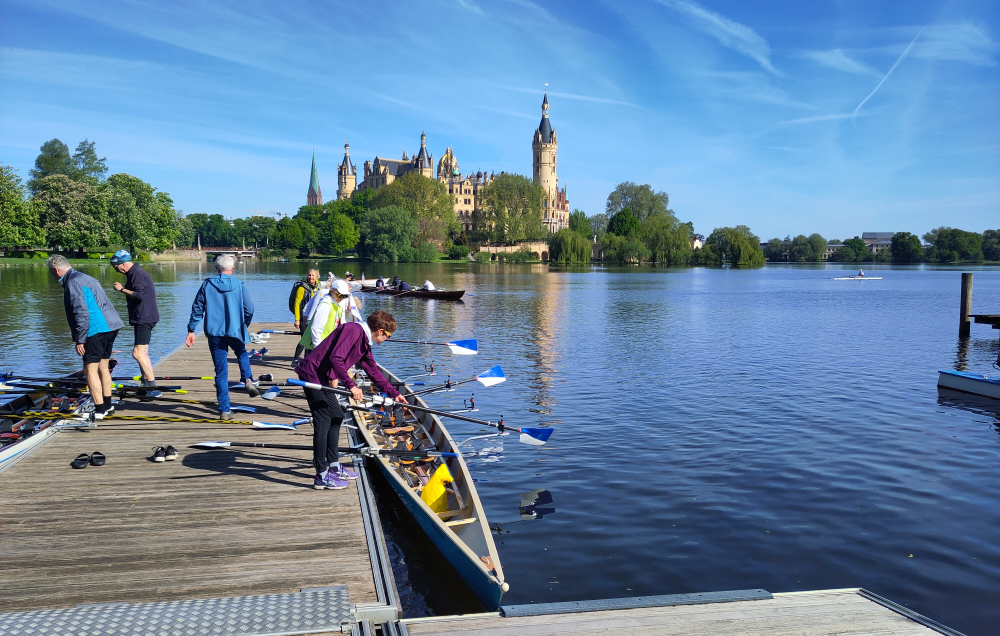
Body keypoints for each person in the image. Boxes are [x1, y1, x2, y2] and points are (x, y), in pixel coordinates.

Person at [296, 310, 408, 489]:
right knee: (323, 420)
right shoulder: (353, 330)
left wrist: (394, 393)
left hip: (323, 378)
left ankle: (333, 464)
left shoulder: (364, 342)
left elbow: (374, 372)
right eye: (388, 336)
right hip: (312, 374)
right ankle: (321, 475)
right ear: (380, 331)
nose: (386, 339)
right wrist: (351, 385)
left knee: (337, 415)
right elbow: (336, 358)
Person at [47, 255, 125, 419]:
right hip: (111, 326)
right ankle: (108, 405)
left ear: (55, 270)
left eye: (51, 272)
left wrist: (80, 339)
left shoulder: (72, 282)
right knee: (103, 367)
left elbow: (81, 312)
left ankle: (99, 410)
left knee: (89, 370)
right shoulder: (85, 277)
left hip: (95, 329)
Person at [185, 254, 258, 419]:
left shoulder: (207, 285)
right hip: (235, 330)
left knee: (221, 372)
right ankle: (247, 378)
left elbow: (197, 309)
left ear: (217, 268)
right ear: (232, 268)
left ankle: (225, 410)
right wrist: (244, 325)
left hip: (215, 333)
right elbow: (250, 309)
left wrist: (191, 330)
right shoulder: (239, 285)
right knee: (241, 353)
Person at [110, 250, 159, 388]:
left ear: (123, 264)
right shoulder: (134, 273)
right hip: (144, 317)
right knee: (142, 353)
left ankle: (152, 386)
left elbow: (139, 295)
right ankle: (145, 385)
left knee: (138, 354)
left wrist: (121, 289)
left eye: (116, 267)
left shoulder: (137, 274)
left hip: (144, 318)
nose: (117, 270)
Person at [290, 270, 320, 359]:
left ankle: (306, 360)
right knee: (304, 338)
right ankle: (295, 359)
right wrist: (297, 319)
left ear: (317, 277)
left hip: (313, 316)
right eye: (309, 275)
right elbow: (297, 303)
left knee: (309, 338)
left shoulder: (318, 287)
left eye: (313, 275)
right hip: (303, 316)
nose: (311, 277)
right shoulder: (302, 287)